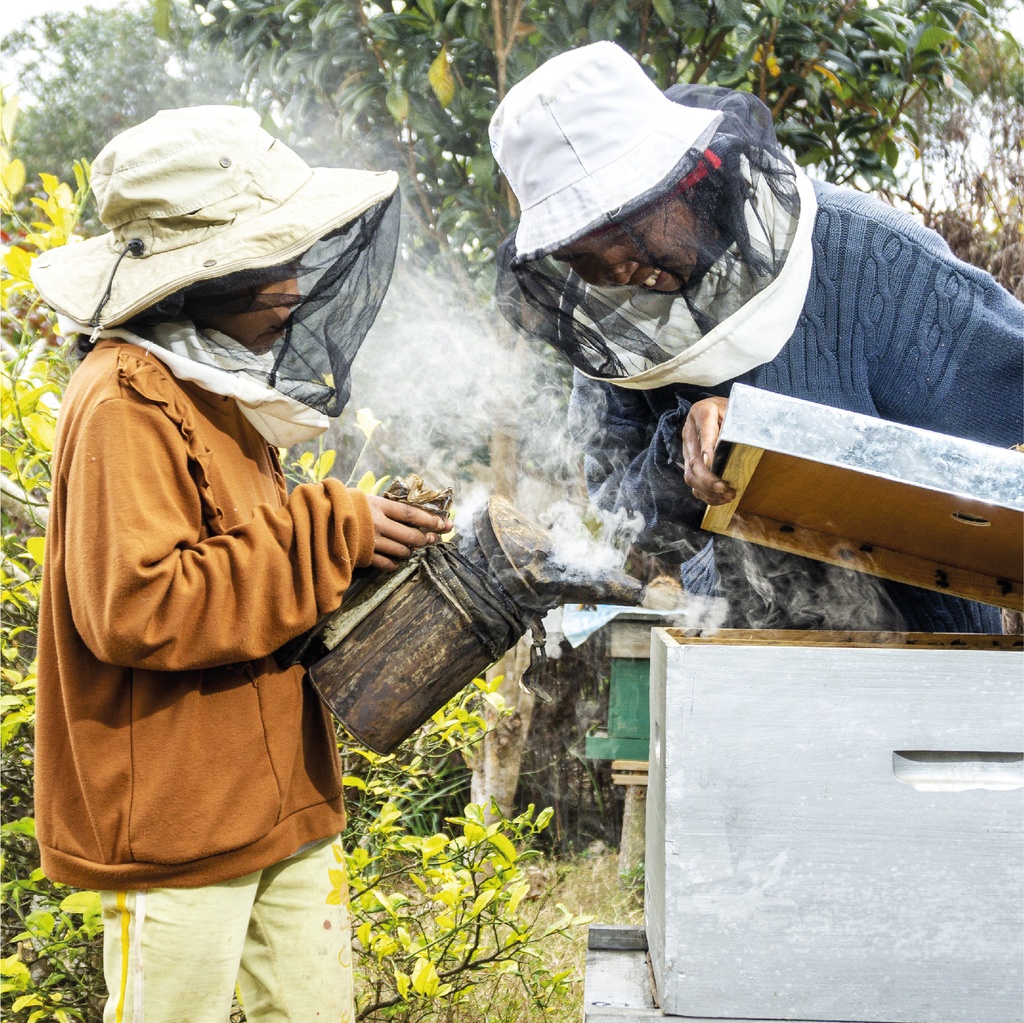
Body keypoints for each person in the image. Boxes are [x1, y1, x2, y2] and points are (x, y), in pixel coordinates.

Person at [29, 105, 451, 1023]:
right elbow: (140, 605)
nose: (294, 286)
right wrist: (330, 531)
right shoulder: (123, 400)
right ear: (200, 278)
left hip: (283, 801)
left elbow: (251, 571)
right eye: (270, 263)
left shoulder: (211, 387)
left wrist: (358, 543)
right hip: (178, 824)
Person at [488, 42, 1024, 633]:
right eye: (580, 254)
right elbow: (619, 507)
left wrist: (769, 432)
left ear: (693, 177)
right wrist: (686, 454)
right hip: (732, 641)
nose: (615, 268)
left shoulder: (874, 257)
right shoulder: (609, 330)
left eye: (628, 229)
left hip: (933, 645)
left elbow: (1008, 415)